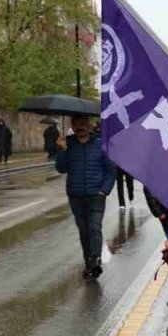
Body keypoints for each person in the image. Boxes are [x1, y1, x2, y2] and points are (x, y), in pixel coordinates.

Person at [55, 116, 116, 279]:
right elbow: (61, 168)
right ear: (72, 127)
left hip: (96, 195)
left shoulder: (101, 144)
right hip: (75, 194)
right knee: (83, 230)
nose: (79, 127)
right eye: (76, 125)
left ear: (89, 126)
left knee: (94, 227)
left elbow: (111, 171)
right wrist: (62, 150)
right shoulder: (68, 144)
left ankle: (95, 260)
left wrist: (104, 190)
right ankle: (87, 260)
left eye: (83, 124)